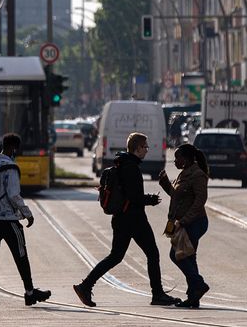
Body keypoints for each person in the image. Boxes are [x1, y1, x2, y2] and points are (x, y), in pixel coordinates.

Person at [72, 132, 177, 308]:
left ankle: (86, 286)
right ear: (137, 148)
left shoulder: (123, 164)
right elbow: (134, 197)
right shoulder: (131, 168)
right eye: (145, 147)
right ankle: (157, 294)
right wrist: (150, 199)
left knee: (116, 256)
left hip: (121, 218)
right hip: (134, 219)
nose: (147, 150)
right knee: (152, 254)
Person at [0, 133, 51, 308]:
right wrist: (27, 213)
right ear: (13, 148)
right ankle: (30, 293)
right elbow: (14, 195)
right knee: (21, 255)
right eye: (17, 149)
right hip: (8, 220)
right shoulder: (11, 167)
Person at [157, 143, 210, 308]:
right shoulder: (184, 173)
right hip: (183, 222)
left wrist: (184, 220)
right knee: (189, 257)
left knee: (177, 255)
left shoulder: (197, 175)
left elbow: (200, 201)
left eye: (177, 158)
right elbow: (177, 196)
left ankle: (199, 284)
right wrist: (165, 183)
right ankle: (193, 297)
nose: (175, 161)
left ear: (186, 159)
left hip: (194, 222)